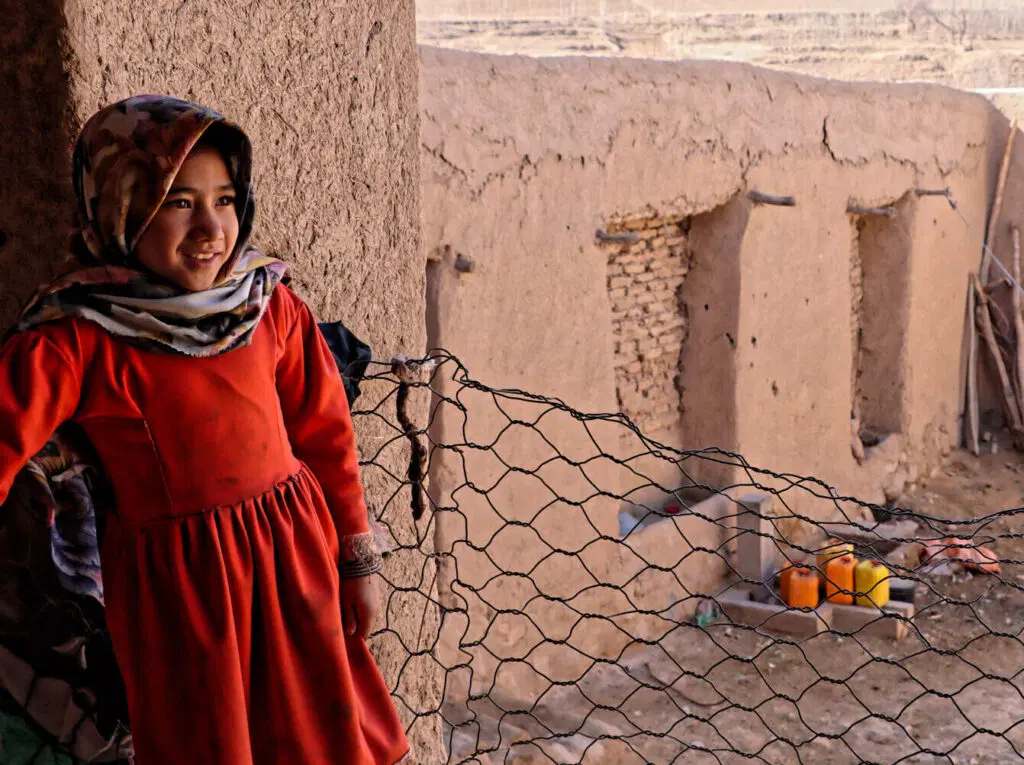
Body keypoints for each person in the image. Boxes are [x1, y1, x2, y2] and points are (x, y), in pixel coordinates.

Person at [0, 95, 409, 764]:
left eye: (224, 199)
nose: (210, 228)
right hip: (184, 597)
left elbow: (326, 434)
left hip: (295, 563)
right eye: (178, 202)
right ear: (121, 203)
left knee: (319, 733)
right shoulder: (78, 339)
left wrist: (357, 557)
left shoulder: (266, 305)